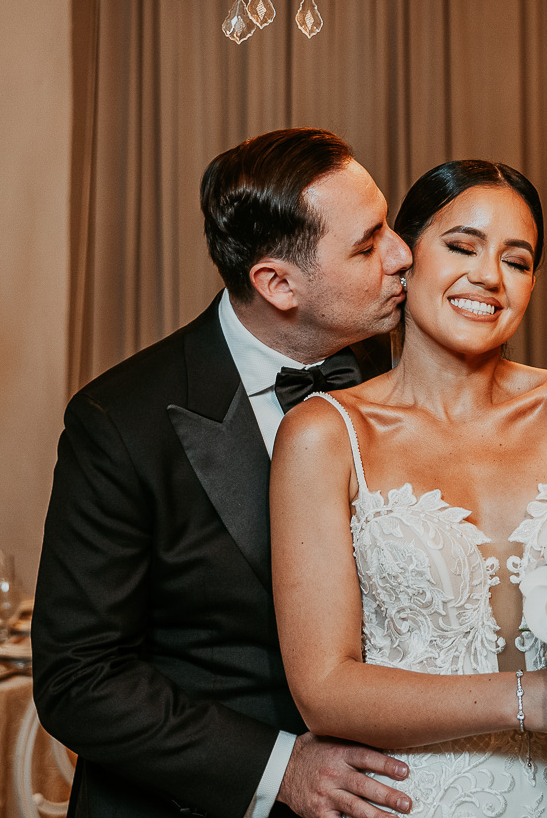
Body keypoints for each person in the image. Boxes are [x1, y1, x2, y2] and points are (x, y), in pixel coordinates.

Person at [34, 129, 419, 818]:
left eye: (387, 225)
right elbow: (79, 678)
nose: (402, 254)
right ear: (277, 283)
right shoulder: (120, 421)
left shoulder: (400, 375)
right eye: (366, 245)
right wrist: (280, 768)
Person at [271, 160, 547, 817]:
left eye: (517, 260)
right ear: (404, 256)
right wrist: (534, 702)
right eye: (462, 247)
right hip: (419, 800)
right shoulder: (326, 434)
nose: (488, 276)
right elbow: (324, 686)